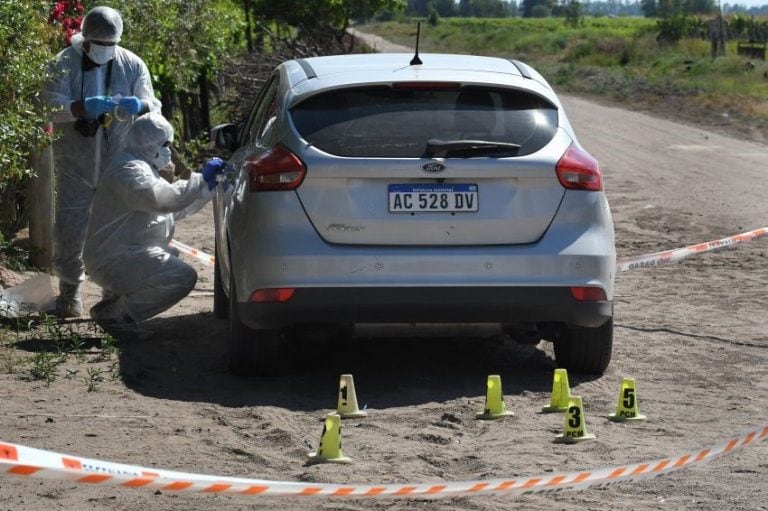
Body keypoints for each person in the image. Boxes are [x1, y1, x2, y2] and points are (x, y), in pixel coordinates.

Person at [43, 6, 162, 318]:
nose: (105, 50)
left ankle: (113, 295)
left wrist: (140, 105)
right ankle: (69, 295)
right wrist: (80, 108)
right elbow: (48, 105)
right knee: (70, 228)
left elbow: (153, 105)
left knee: (116, 230)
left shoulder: (132, 64)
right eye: (100, 44)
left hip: (117, 162)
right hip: (75, 164)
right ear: (86, 37)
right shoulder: (63, 63)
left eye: (111, 45)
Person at [83, 112, 225, 340]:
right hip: (113, 258)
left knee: (171, 254)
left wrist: (206, 188)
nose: (169, 150)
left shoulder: (141, 167)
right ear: (151, 144)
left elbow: (171, 210)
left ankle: (115, 303)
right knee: (180, 276)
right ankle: (116, 314)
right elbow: (162, 199)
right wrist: (198, 180)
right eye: (166, 144)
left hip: (119, 253)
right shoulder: (129, 171)